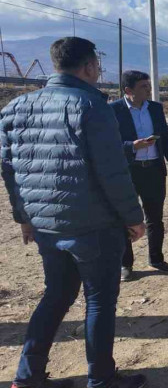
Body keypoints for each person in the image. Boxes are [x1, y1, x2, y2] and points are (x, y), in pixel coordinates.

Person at [1, 37, 148, 388]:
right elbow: (112, 171)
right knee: (99, 301)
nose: (99, 70)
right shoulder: (92, 106)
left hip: (46, 226)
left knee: (56, 294)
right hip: (93, 226)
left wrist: (23, 216)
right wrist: (133, 217)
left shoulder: (16, 107)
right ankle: (101, 379)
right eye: (97, 64)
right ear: (88, 66)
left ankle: (28, 375)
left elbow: (9, 169)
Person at [110, 70, 168, 281]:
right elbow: (109, 143)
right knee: (125, 218)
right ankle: (126, 265)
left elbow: (165, 138)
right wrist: (132, 146)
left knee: (155, 218)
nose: (149, 90)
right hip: (128, 172)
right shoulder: (113, 110)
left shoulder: (156, 109)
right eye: (144, 87)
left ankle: (156, 259)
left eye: (148, 86)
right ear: (128, 90)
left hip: (154, 170)